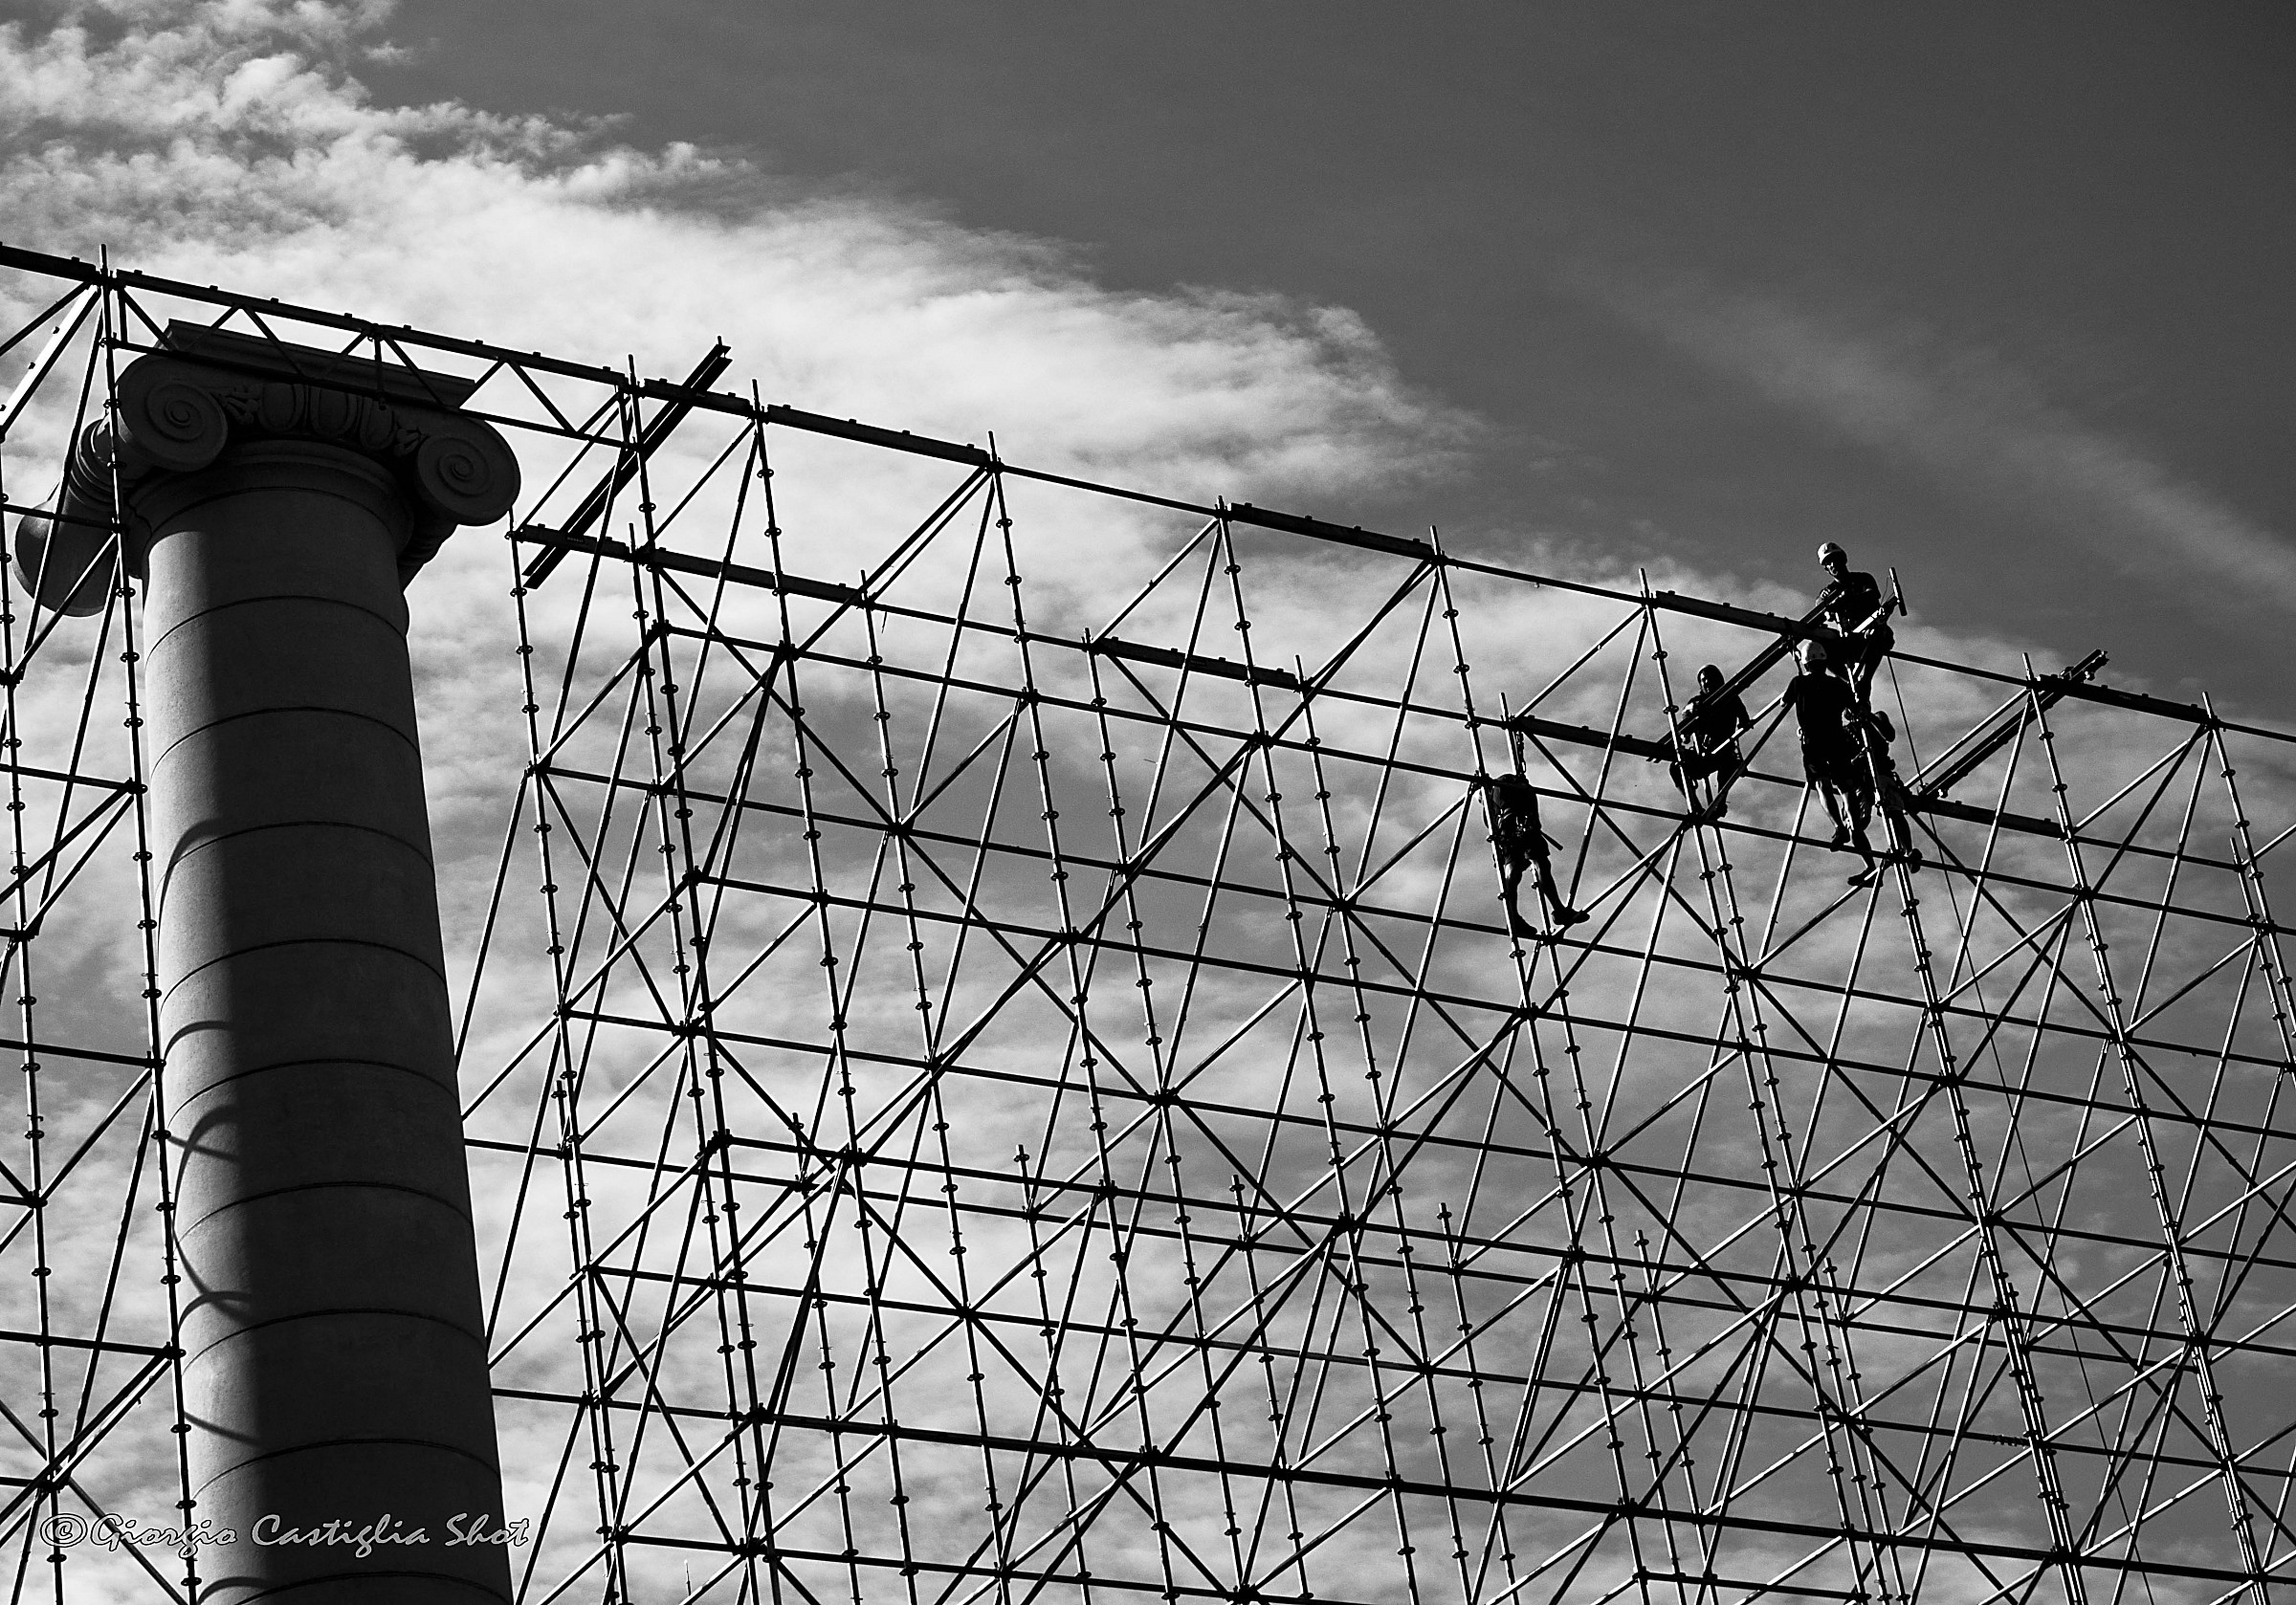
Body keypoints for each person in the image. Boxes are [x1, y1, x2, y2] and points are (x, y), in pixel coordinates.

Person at [1782, 639, 1878, 883]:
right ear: (1825, 662)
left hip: (1814, 742)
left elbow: (1785, 702)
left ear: (1805, 663)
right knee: (1845, 786)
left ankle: (1839, 827)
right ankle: (1855, 834)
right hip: (1836, 739)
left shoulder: (1799, 682)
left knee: (1823, 785)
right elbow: (1855, 708)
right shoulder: (1837, 685)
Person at [1482, 774, 1586, 938]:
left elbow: (1496, 826)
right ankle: (1557, 910)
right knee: (1537, 865)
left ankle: (1515, 916)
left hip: (1513, 831)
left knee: (1518, 870)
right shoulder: (1500, 794)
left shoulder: (1495, 795)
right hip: (1521, 829)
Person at [1659, 664, 1751, 818]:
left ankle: (1720, 804)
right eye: (1703, 680)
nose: (1707, 682)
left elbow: (1743, 717)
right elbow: (1686, 718)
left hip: (1724, 752)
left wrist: (1744, 723)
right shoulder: (1696, 701)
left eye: (1710, 678)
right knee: (1676, 768)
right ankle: (1695, 806)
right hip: (1702, 755)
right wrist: (1688, 727)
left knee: (1727, 768)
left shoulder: (1731, 697)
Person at [1815, 541, 1896, 708]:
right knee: (1820, 647)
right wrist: (1827, 606)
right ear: (1826, 569)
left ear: (1843, 560)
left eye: (1835, 560)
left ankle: (1865, 681)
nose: (1833, 565)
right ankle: (1852, 683)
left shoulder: (1862, 579)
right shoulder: (1828, 593)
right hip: (1848, 642)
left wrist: (1847, 599)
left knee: (1879, 634)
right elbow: (1821, 611)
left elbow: (1872, 594)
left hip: (1871, 632)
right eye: (1828, 563)